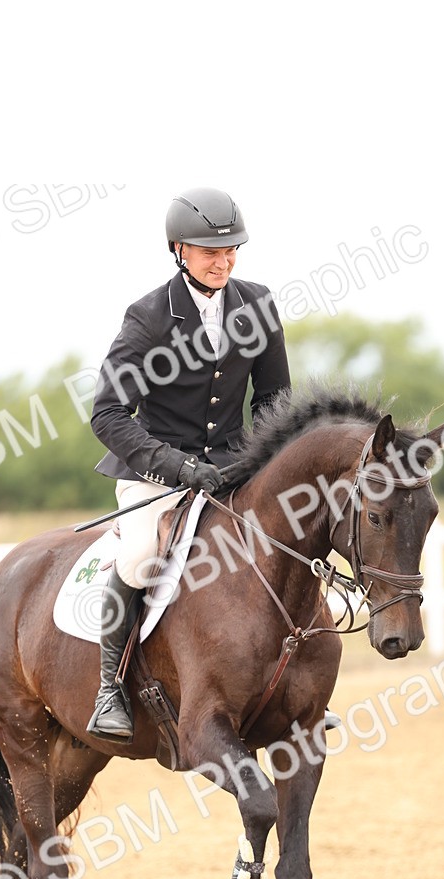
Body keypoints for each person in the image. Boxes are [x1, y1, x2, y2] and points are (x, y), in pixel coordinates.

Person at [87, 187, 291, 739]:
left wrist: (259, 467)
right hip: (155, 476)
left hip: (232, 472)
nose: (223, 262)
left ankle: (295, 685)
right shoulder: (149, 317)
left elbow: (275, 403)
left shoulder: (257, 306)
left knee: (290, 543)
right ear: (179, 249)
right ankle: (110, 687)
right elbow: (107, 413)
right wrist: (175, 467)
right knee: (138, 558)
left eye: (231, 252)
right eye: (209, 252)